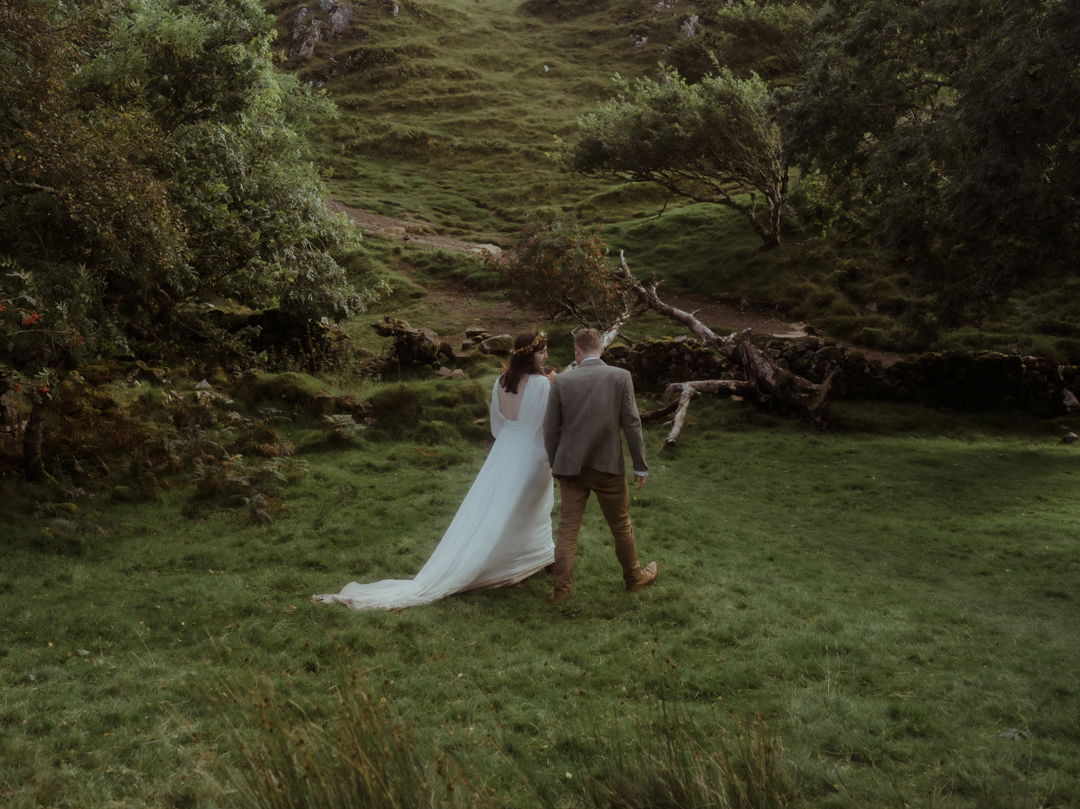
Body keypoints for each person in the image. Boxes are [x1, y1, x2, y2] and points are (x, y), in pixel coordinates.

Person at [312, 332, 555, 611]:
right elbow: (543, 426)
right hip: (529, 451)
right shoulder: (540, 384)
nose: (545, 356)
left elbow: (497, 424)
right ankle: (517, 563)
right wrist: (545, 455)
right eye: (542, 351)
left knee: (499, 507)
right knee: (526, 507)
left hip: (504, 450)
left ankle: (521, 560)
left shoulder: (501, 380)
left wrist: (510, 442)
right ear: (530, 354)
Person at [543, 328, 658, 604]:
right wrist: (640, 465)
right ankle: (634, 579)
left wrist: (554, 463)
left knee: (568, 529)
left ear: (577, 350)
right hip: (609, 467)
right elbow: (632, 423)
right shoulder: (621, 376)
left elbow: (550, 429)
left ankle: (560, 592)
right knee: (621, 526)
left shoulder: (561, 382)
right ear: (602, 350)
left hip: (571, 469)